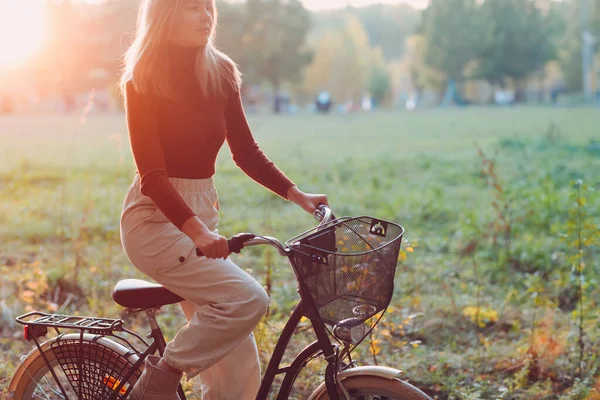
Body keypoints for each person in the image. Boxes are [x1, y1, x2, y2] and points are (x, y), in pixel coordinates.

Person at [117, 1, 328, 399]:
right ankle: (157, 381)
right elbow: (153, 178)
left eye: (208, 7)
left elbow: (246, 152)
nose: (206, 15)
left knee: (238, 369)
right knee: (248, 298)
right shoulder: (142, 79)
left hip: (201, 216)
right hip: (155, 222)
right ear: (165, 15)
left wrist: (297, 195)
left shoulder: (220, 72)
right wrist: (196, 231)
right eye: (193, 7)